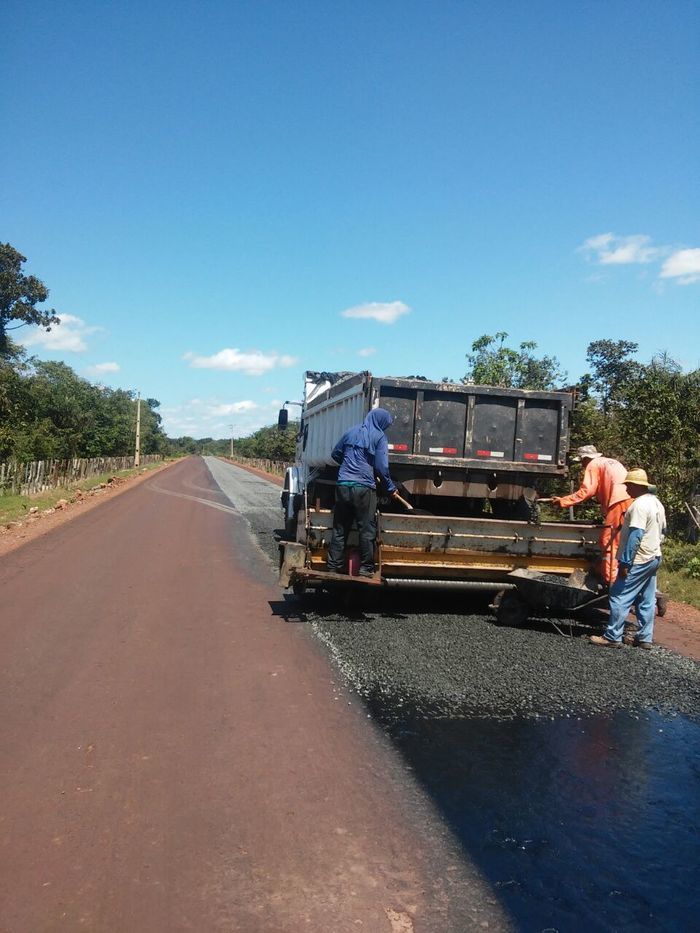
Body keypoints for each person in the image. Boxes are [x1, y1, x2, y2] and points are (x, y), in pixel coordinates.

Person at [590, 469, 666, 649]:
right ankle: (645, 638)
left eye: (628, 485)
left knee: (619, 596)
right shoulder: (657, 504)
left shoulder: (638, 505)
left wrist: (625, 562)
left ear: (635, 486)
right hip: (654, 556)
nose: (626, 489)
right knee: (646, 599)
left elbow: (636, 535)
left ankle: (612, 636)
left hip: (639, 559)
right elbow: (663, 532)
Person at [326, 408, 399, 577]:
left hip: (343, 485)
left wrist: (350, 462)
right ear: (380, 422)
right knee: (366, 529)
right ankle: (366, 568)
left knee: (339, 528)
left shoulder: (350, 432)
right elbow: (382, 467)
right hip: (364, 488)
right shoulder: (379, 436)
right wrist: (389, 488)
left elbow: (335, 454)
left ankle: (333, 566)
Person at [552, 444, 632, 584]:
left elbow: (586, 491)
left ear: (586, 458)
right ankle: (622, 577)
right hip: (630, 501)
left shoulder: (593, 464)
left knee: (609, 541)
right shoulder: (611, 462)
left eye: (582, 462)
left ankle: (611, 581)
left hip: (618, 502)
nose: (582, 465)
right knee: (622, 541)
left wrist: (563, 501)